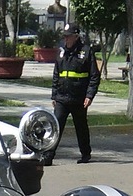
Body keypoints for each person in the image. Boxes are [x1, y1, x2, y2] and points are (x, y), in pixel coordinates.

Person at [43, 23, 100, 165]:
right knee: (55, 126)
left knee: (81, 127)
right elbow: (57, 74)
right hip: (62, 97)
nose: (66, 39)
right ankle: (48, 156)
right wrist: (54, 95)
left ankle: (85, 154)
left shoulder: (86, 52)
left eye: (68, 37)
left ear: (76, 37)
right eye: (65, 37)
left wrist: (89, 95)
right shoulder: (61, 52)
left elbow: (94, 76)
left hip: (79, 98)